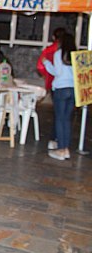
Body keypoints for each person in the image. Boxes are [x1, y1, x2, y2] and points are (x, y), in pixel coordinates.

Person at [42, 32, 76, 161]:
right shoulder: (76, 56)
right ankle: (65, 148)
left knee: (60, 119)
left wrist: (46, 63)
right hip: (73, 89)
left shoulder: (59, 54)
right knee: (67, 120)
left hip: (61, 89)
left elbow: (56, 72)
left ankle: (61, 149)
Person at [37, 27, 67, 150]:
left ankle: (55, 140)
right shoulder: (71, 51)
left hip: (56, 84)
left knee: (58, 115)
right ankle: (63, 143)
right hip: (70, 86)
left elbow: (40, 66)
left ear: (54, 37)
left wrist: (47, 75)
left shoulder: (52, 50)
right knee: (65, 116)